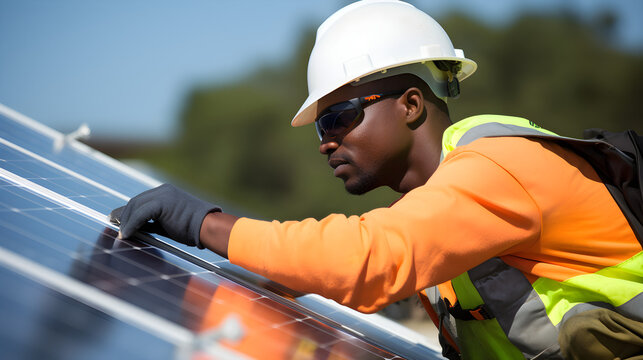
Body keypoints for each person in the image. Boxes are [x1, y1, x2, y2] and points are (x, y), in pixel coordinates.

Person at [111, 1, 643, 359]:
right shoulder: (439, 208)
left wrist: (205, 224)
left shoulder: (497, 165)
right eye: (321, 125)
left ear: (411, 104)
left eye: (339, 117)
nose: (325, 140)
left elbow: (368, 258)